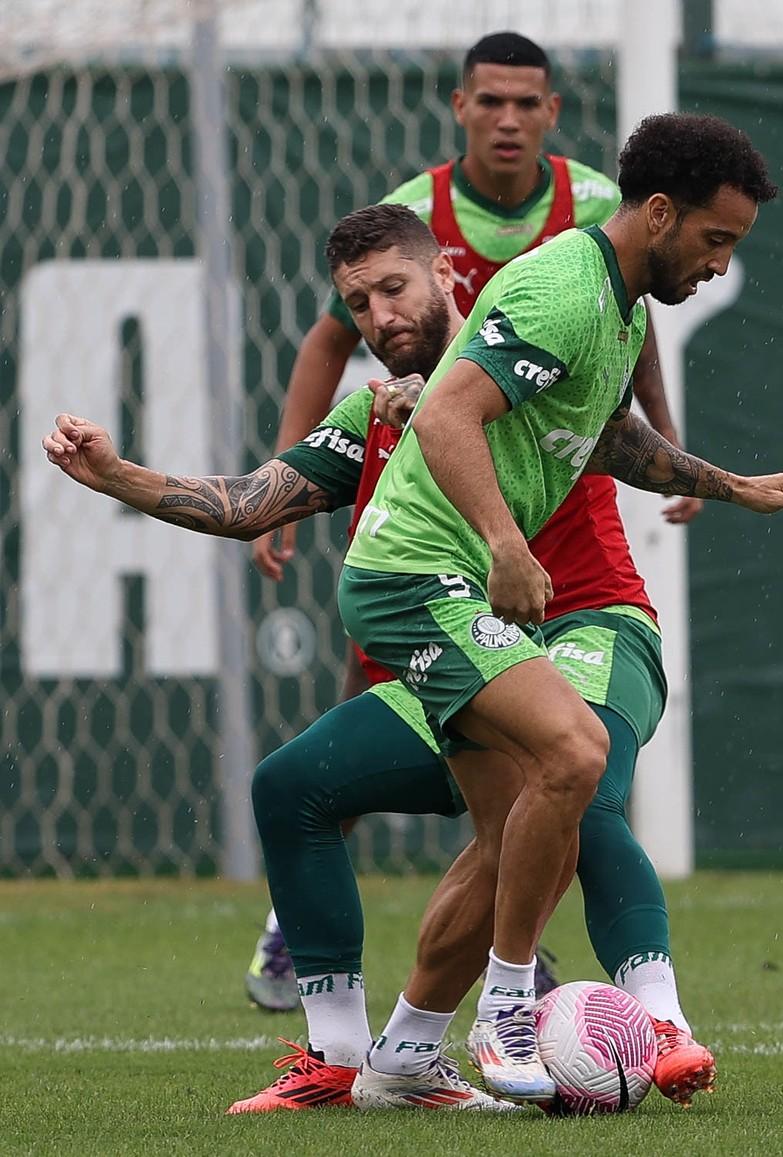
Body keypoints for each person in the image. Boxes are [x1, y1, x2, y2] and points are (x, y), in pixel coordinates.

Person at [43, 204, 716, 1114]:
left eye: (393, 288)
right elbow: (247, 499)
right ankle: (356, 1057)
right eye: (358, 304)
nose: (379, 317)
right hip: (465, 647)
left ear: (446, 274)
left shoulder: (541, 353)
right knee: (292, 786)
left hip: (589, 625)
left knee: (574, 772)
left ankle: (660, 1023)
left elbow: (636, 445)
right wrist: (115, 474)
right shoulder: (375, 411)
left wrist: (731, 485)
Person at [336, 112, 783, 1104]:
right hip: (414, 575)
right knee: (573, 753)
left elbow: (605, 436)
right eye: (716, 239)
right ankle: (509, 1008)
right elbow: (447, 412)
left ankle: (400, 1054)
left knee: (516, 830)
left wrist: (733, 482)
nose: (717, 264)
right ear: (660, 213)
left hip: (440, 573)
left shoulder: (618, 305)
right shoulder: (564, 288)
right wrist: (503, 543)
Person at [244, 28, 703, 1011]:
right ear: (459, 107)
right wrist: (279, 487)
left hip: (565, 533)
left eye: (525, 101)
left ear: (552, 112)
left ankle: (636, 1012)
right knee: (340, 755)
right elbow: (335, 342)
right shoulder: (412, 219)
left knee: (576, 765)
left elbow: (632, 324)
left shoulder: (594, 213)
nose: (506, 117)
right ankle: (379, 968)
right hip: (447, 530)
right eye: (487, 100)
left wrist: (673, 443)